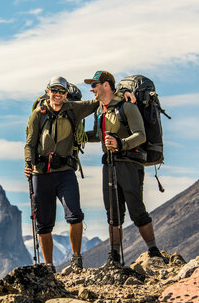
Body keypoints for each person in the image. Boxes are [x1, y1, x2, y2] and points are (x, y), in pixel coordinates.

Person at [84, 70, 166, 266]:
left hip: (130, 163)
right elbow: (99, 135)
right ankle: (114, 257)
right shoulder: (100, 110)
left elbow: (141, 135)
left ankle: (154, 252)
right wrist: (78, 137)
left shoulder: (127, 106)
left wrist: (120, 144)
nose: (91, 89)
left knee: (137, 210)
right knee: (113, 212)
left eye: (94, 85)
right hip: (109, 164)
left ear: (106, 85)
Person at [24, 76, 100, 270]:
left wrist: (119, 95)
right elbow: (30, 143)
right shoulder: (37, 114)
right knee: (43, 224)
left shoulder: (73, 109)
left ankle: (76, 259)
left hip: (65, 172)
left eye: (62, 91)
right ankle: (49, 266)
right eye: (54, 90)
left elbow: (96, 103)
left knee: (75, 215)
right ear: (48, 91)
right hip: (41, 174)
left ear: (66, 94)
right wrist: (28, 164)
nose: (58, 94)